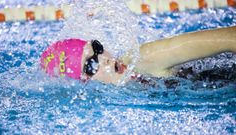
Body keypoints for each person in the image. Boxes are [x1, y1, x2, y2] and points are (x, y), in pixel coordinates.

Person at [40, 26, 236, 84]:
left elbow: (230, 38)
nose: (106, 58)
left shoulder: (143, 58)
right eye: (91, 65)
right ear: (83, 82)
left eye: (98, 49)